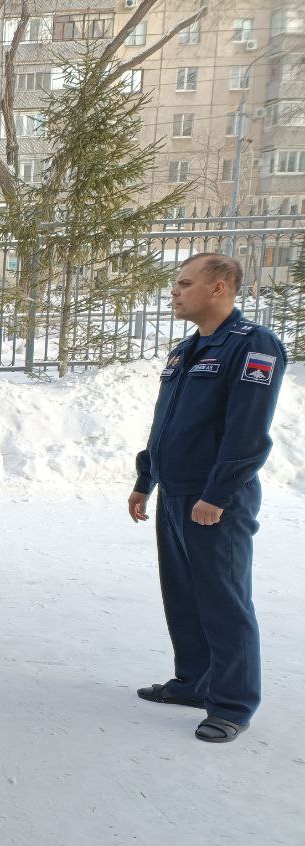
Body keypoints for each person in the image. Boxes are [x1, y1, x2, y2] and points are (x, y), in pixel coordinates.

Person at [130, 252, 288, 743]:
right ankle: (194, 683)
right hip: (175, 492)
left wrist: (217, 494)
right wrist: (145, 478)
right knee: (183, 595)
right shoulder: (187, 349)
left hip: (215, 500)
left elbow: (248, 430)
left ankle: (232, 704)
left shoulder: (253, 345)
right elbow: (165, 422)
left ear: (219, 288)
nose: (174, 292)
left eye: (184, 283)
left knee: (222, 600)